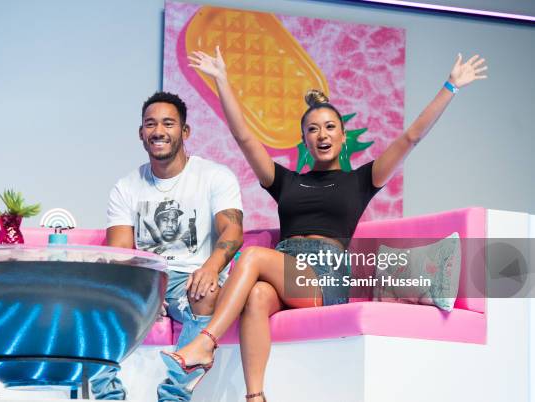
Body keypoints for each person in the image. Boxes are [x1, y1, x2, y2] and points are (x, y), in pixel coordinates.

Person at [160, 47, 488, 401]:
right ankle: (255, 396)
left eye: (330, 127)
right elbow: (243, 138)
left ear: (343, 136)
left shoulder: (362, 180)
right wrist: (222, 80)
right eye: (313, 129)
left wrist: (450, 87)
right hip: (285, 271)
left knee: (253, 255)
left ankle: (205, 344)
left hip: (323, 276)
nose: (322, 134)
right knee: (256, 296)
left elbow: (411, 138)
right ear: (304, 141)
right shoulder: (285, 181)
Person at [94, 91, 244, 401]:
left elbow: (232, 229)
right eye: (150, 124)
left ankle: (174, 395)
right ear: (141, 133)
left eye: (168, 123)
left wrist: (211, 267)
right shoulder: (126, 187)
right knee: (91, 296)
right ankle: (108, 395)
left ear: (184, 131)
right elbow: (122, 252)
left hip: (193, 278)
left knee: (207, 290)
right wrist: (146, 285)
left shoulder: (214, 176)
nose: (159, 131)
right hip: (150, 278)